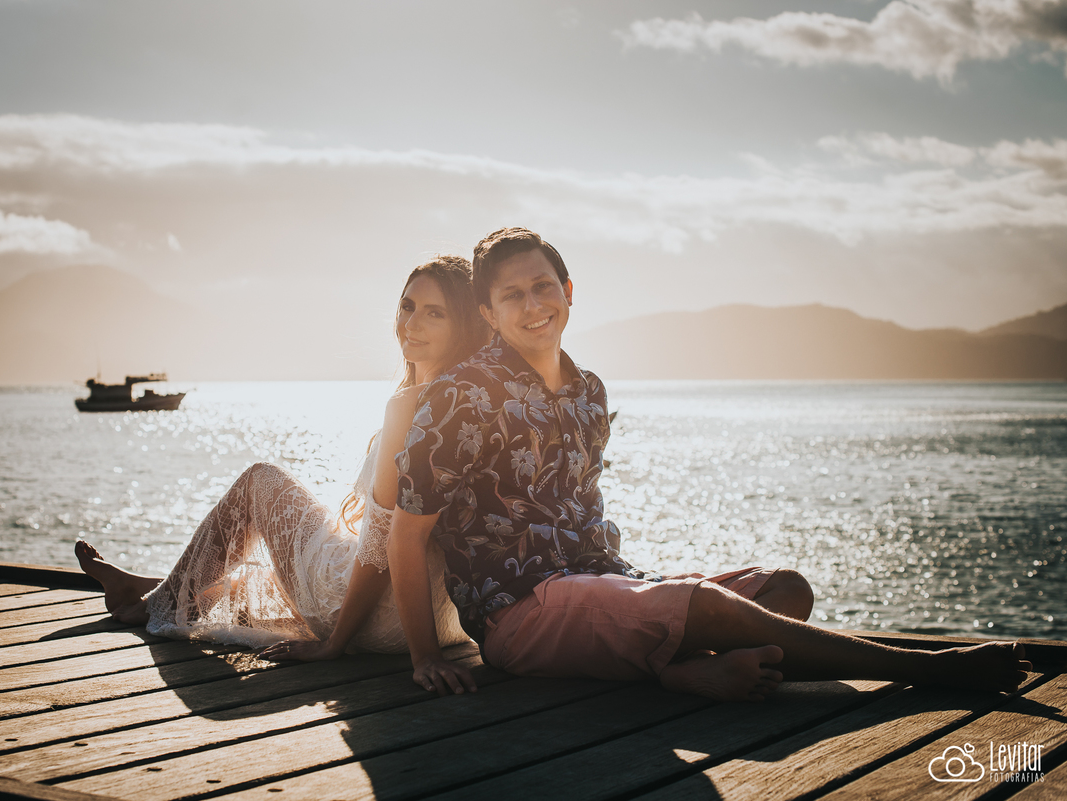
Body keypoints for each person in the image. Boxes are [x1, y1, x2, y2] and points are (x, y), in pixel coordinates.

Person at [387, 227, 1032, 701]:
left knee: (786, 589)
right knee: (704, 605)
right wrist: (423, 657)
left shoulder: (588, 390)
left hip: (603, 582)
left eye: (542, 287)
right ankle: (931, 670)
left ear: (569, 292)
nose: (533, 306)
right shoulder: (462, 397)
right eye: (512, 296)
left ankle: (679, 669)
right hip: (521, 613)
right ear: (488, 312)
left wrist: (632, 586)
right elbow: (406, 535)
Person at [75, 255, 490, 659]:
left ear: (464, 325)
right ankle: (152, 588)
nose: (411, 324)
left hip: (382, 622)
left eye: (435, 313)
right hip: (446, 622)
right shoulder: (476, 404)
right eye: (408, 306)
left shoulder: (408, 406)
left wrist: (334, 644)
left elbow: (381, 547)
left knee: (260, 480)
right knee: (284, 571)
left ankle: (155, 605)